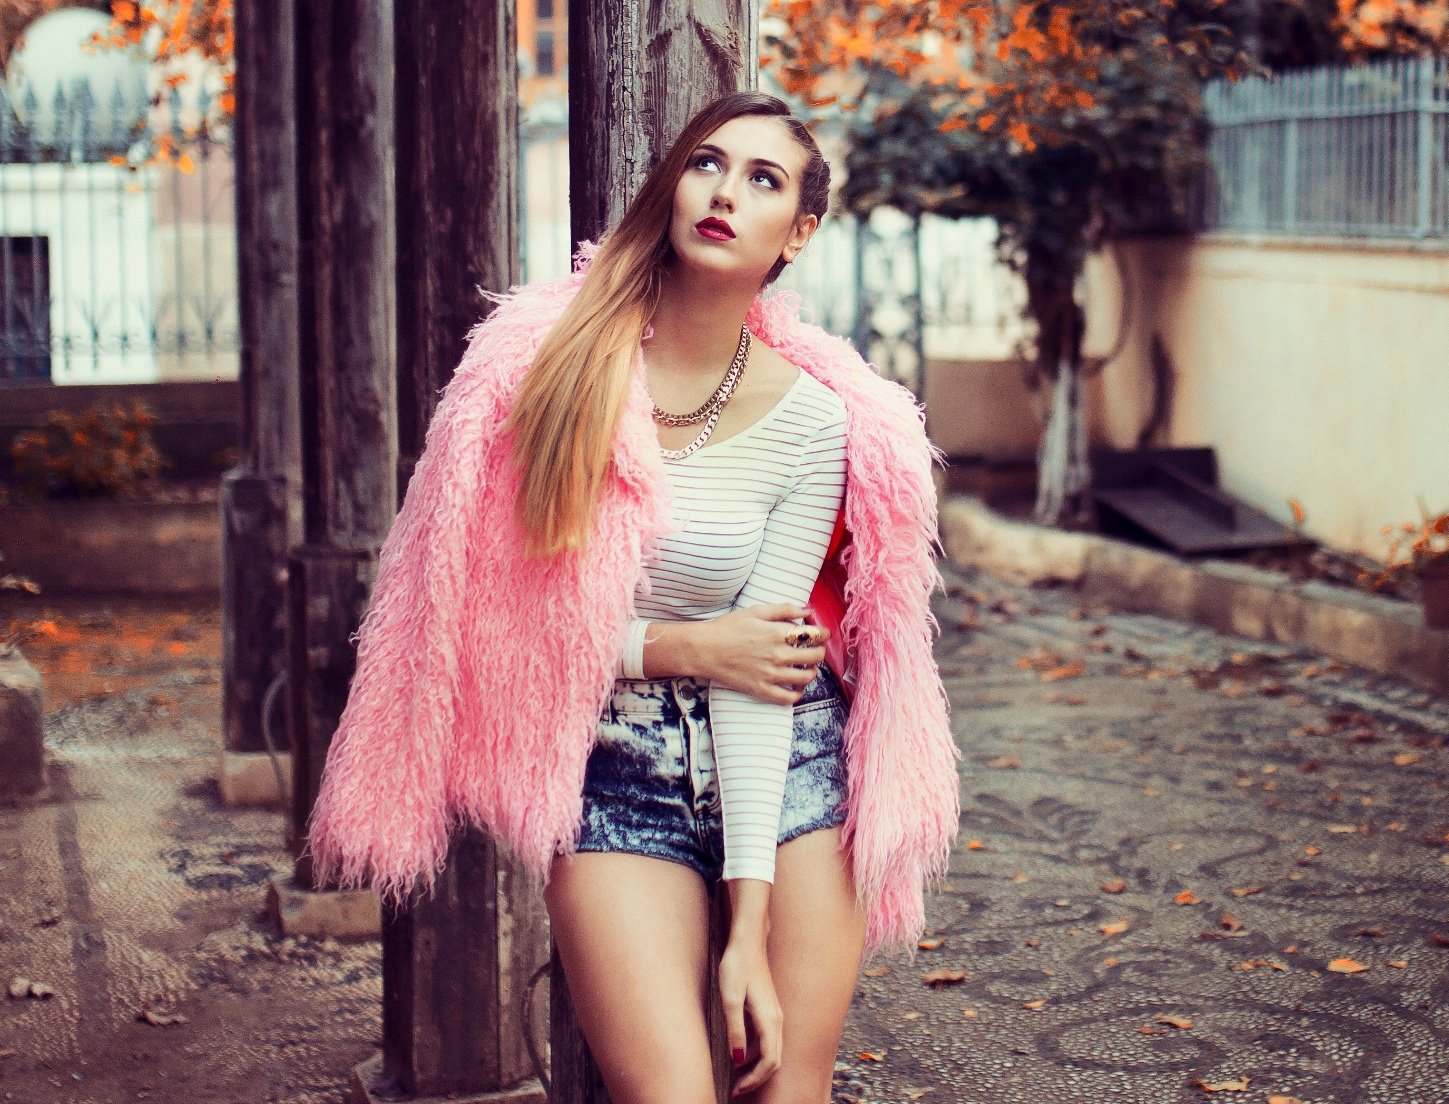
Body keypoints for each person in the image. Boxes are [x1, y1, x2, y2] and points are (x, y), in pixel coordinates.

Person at [304, 90, 960, 1104]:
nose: (724, 192)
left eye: (762, 179)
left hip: (786, 765)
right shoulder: (547, 372)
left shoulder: (817, 424)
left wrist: (748, 932)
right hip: (613, 771)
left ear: (798, 234)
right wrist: (682, 649)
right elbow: (494, 623)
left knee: (790, 1088)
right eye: (706, 163)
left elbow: (767, 669)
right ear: (670, 186)